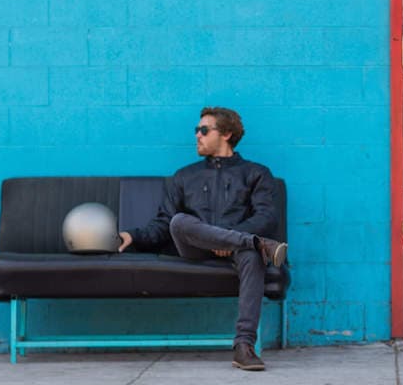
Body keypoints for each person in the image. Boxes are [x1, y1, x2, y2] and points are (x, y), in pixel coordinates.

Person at [118, 107, 286, 371]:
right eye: (196, 130)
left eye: (204, 130)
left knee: (252, 254)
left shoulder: (256, 173)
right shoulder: (184, 176)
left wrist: (229, 241)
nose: (197, 135)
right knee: (180, 221)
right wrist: (132, 235)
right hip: (195, 247)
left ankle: (244, 346)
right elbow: (165, 224)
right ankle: (252, 243)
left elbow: (266, 217)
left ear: (227, 134)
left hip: (238, 250)